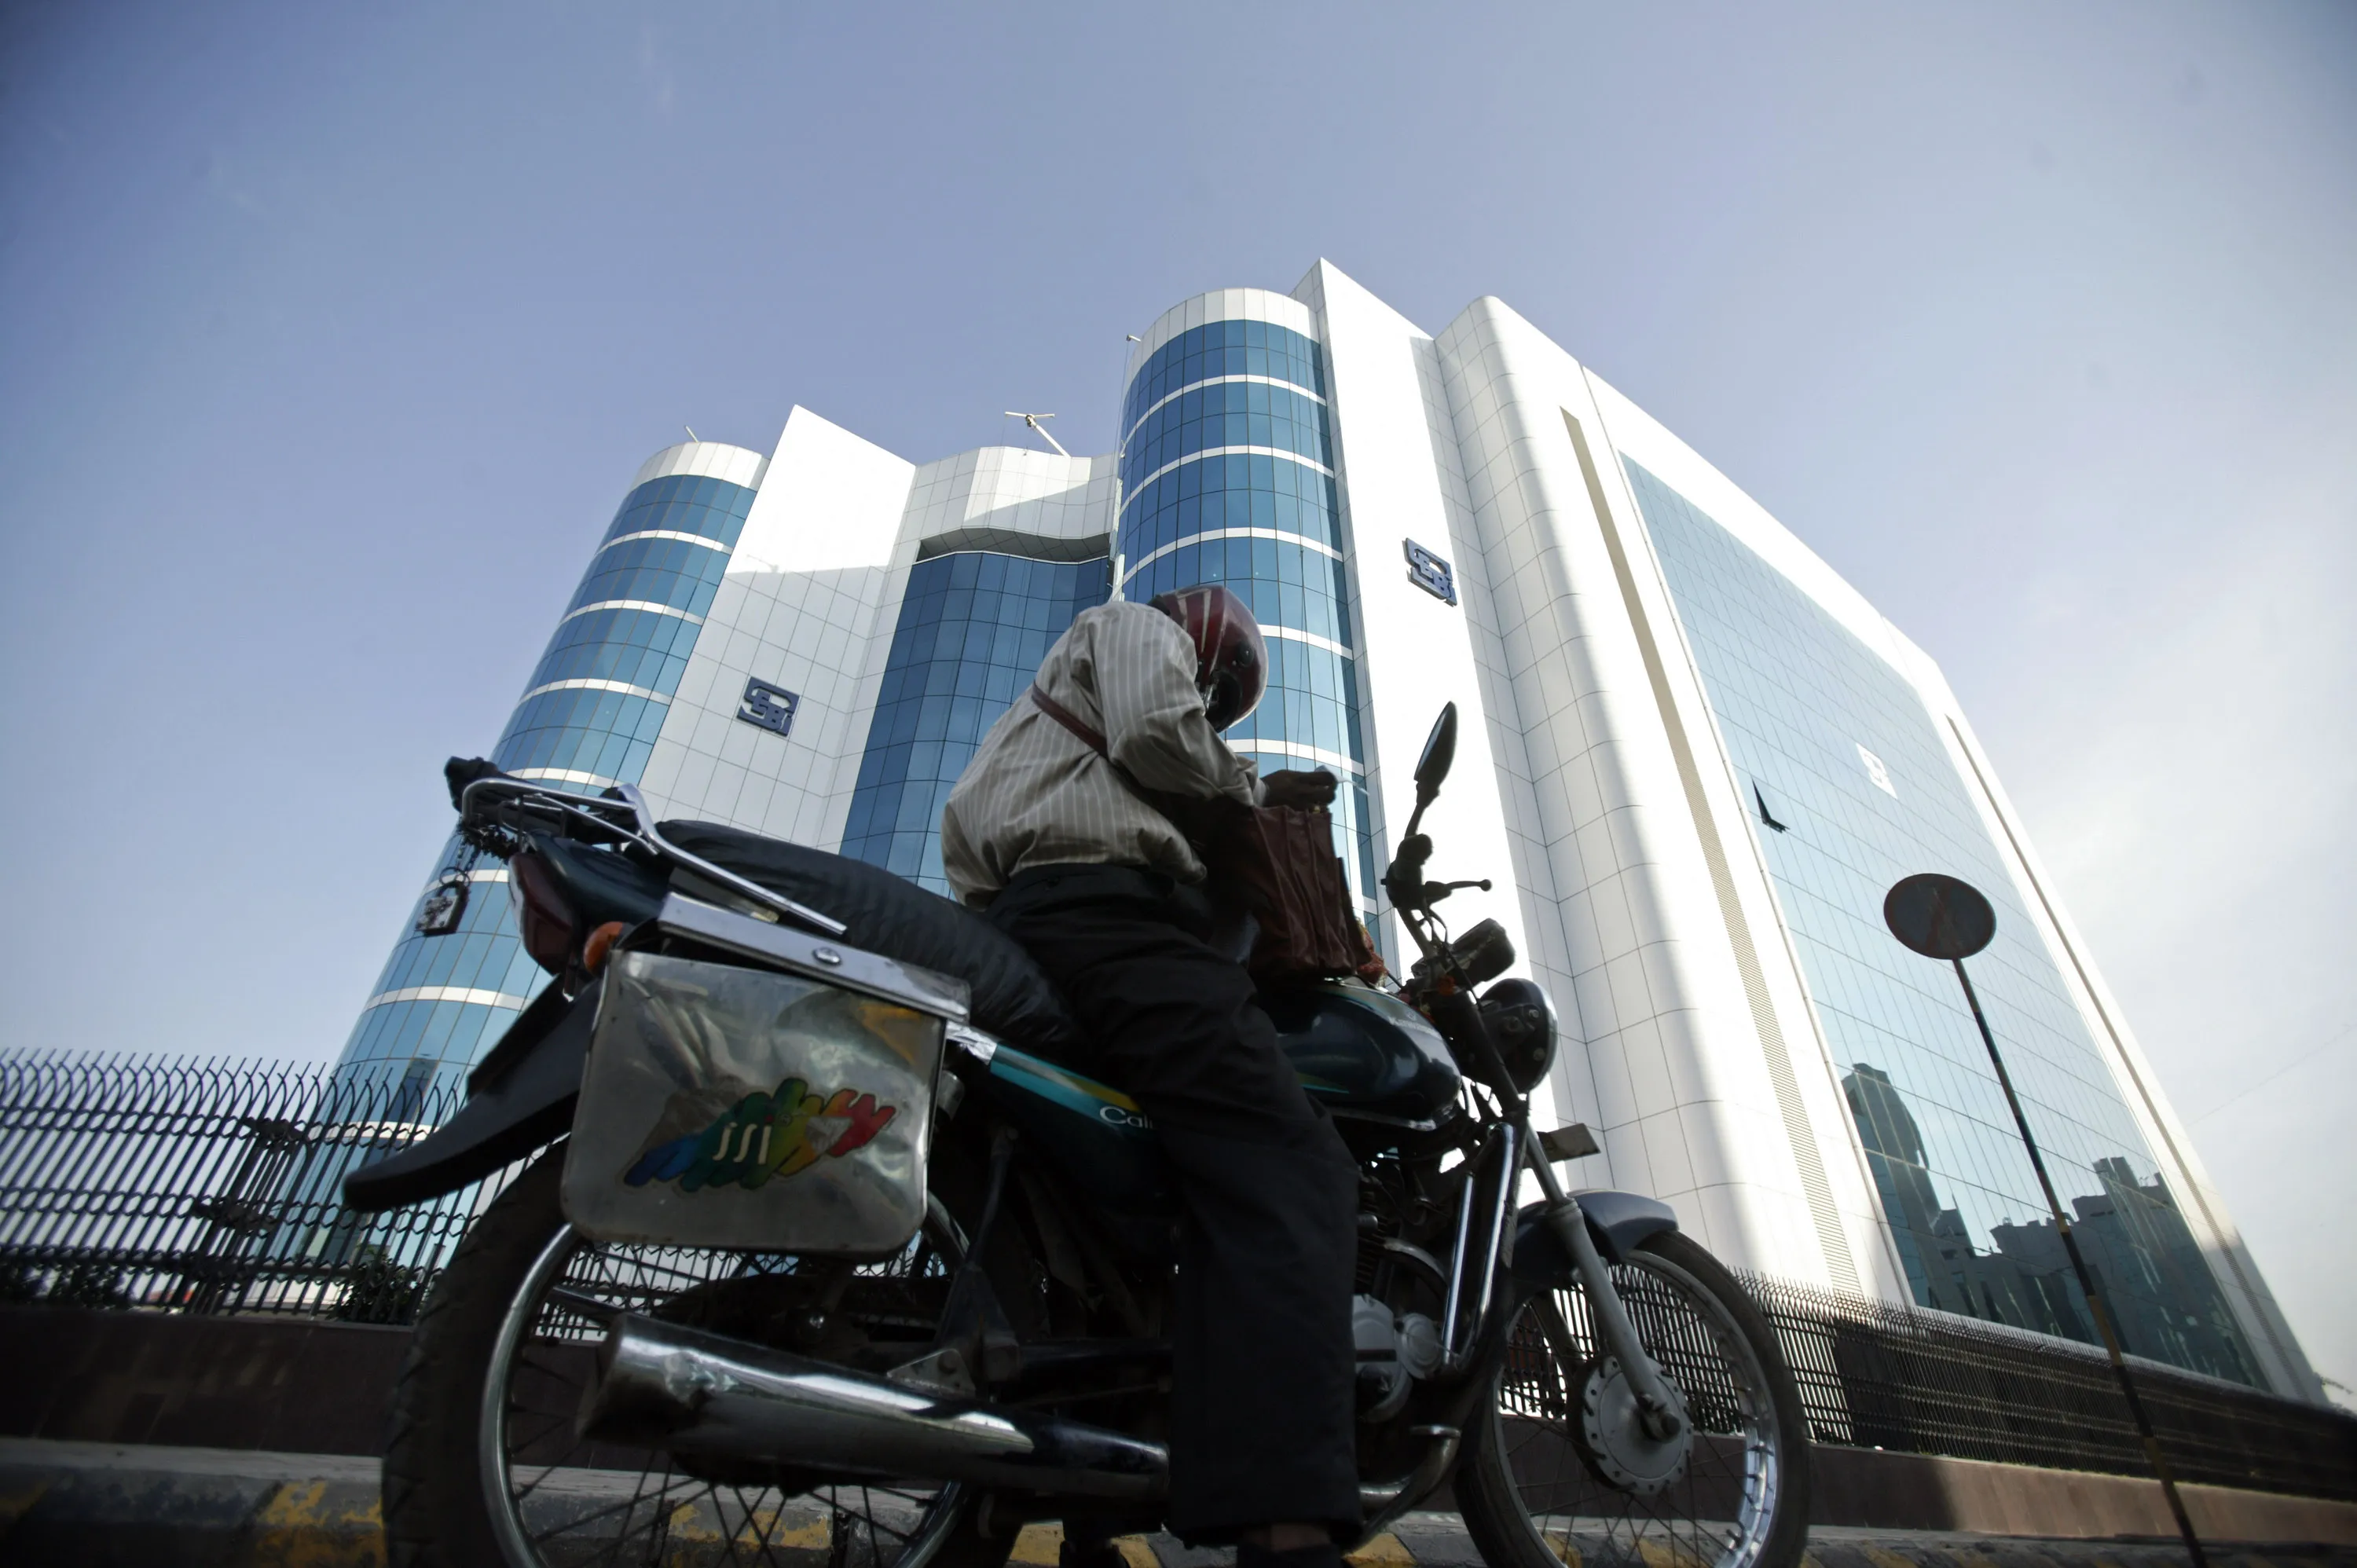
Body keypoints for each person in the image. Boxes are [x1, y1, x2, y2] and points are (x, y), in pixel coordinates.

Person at [940, 585, 1360, 1568]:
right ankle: (1289, 1529)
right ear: (1207, 648)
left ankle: (1095, 1516)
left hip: (1033, 927)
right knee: (1294, 1170)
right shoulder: (1133, 626)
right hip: (1112, 926)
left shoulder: (1028, 738)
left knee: (1135, 1210)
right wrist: (1252, 787)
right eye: (1218, 691)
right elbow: (1163, 733)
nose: (1210, 705)